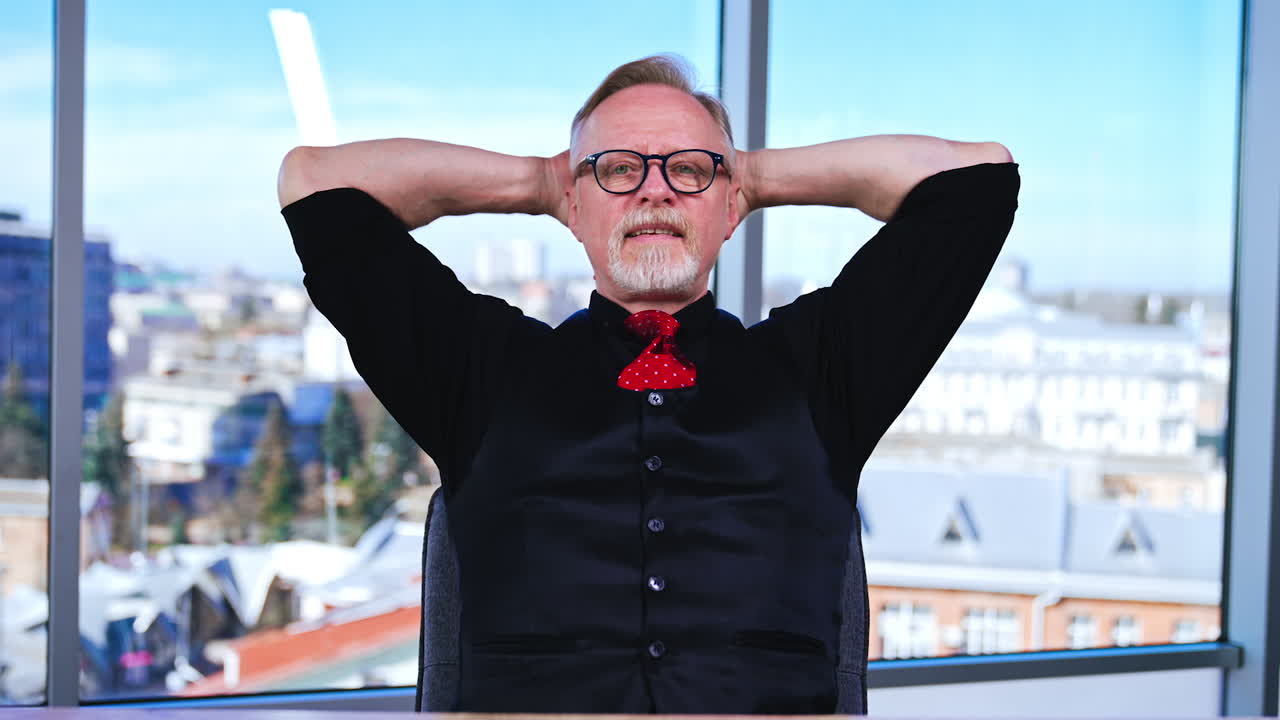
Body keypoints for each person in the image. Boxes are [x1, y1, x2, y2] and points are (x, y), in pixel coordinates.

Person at [277, 54, 1019, 714]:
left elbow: (974, 182)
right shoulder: (479, 369)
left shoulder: (824, 369)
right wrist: (539, 179)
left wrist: (750, 176)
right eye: (618, 169)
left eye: (689, 169)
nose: (655, 191)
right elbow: (315, 182)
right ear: (574, 203)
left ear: (731, 210)